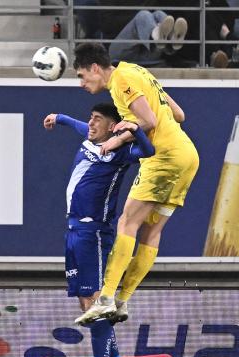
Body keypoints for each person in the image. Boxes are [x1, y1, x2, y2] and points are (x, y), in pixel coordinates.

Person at [72, 43, 199, 325]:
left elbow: (148, 120)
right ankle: (122, 300)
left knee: (127, 222)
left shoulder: (121, 80)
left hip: (164, 157)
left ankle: (105, 299)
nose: (82, 83)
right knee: (151, 232)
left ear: (95, 68)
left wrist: (116, 139)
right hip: (187, 156)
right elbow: (178, 115)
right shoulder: (137, 71)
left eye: (82, 76)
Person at [43, 103, 154, 357]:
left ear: (112, 127)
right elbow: (80, 125)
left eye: (98, 120)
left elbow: (148, 152)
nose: (91, 124)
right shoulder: (89, 138)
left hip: (94, 232)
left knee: (95, 302)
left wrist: (132, 129)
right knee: (86, 303)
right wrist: (60, 116)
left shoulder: (120, 153)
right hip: (74, 230)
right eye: (90, 118)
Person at [108, 10, 188, 67]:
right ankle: (164, 40)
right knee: (143, 14)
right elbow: (108, 22)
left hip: (148, 57)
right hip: (120, 55)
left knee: (159, 14)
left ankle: (171, 39)